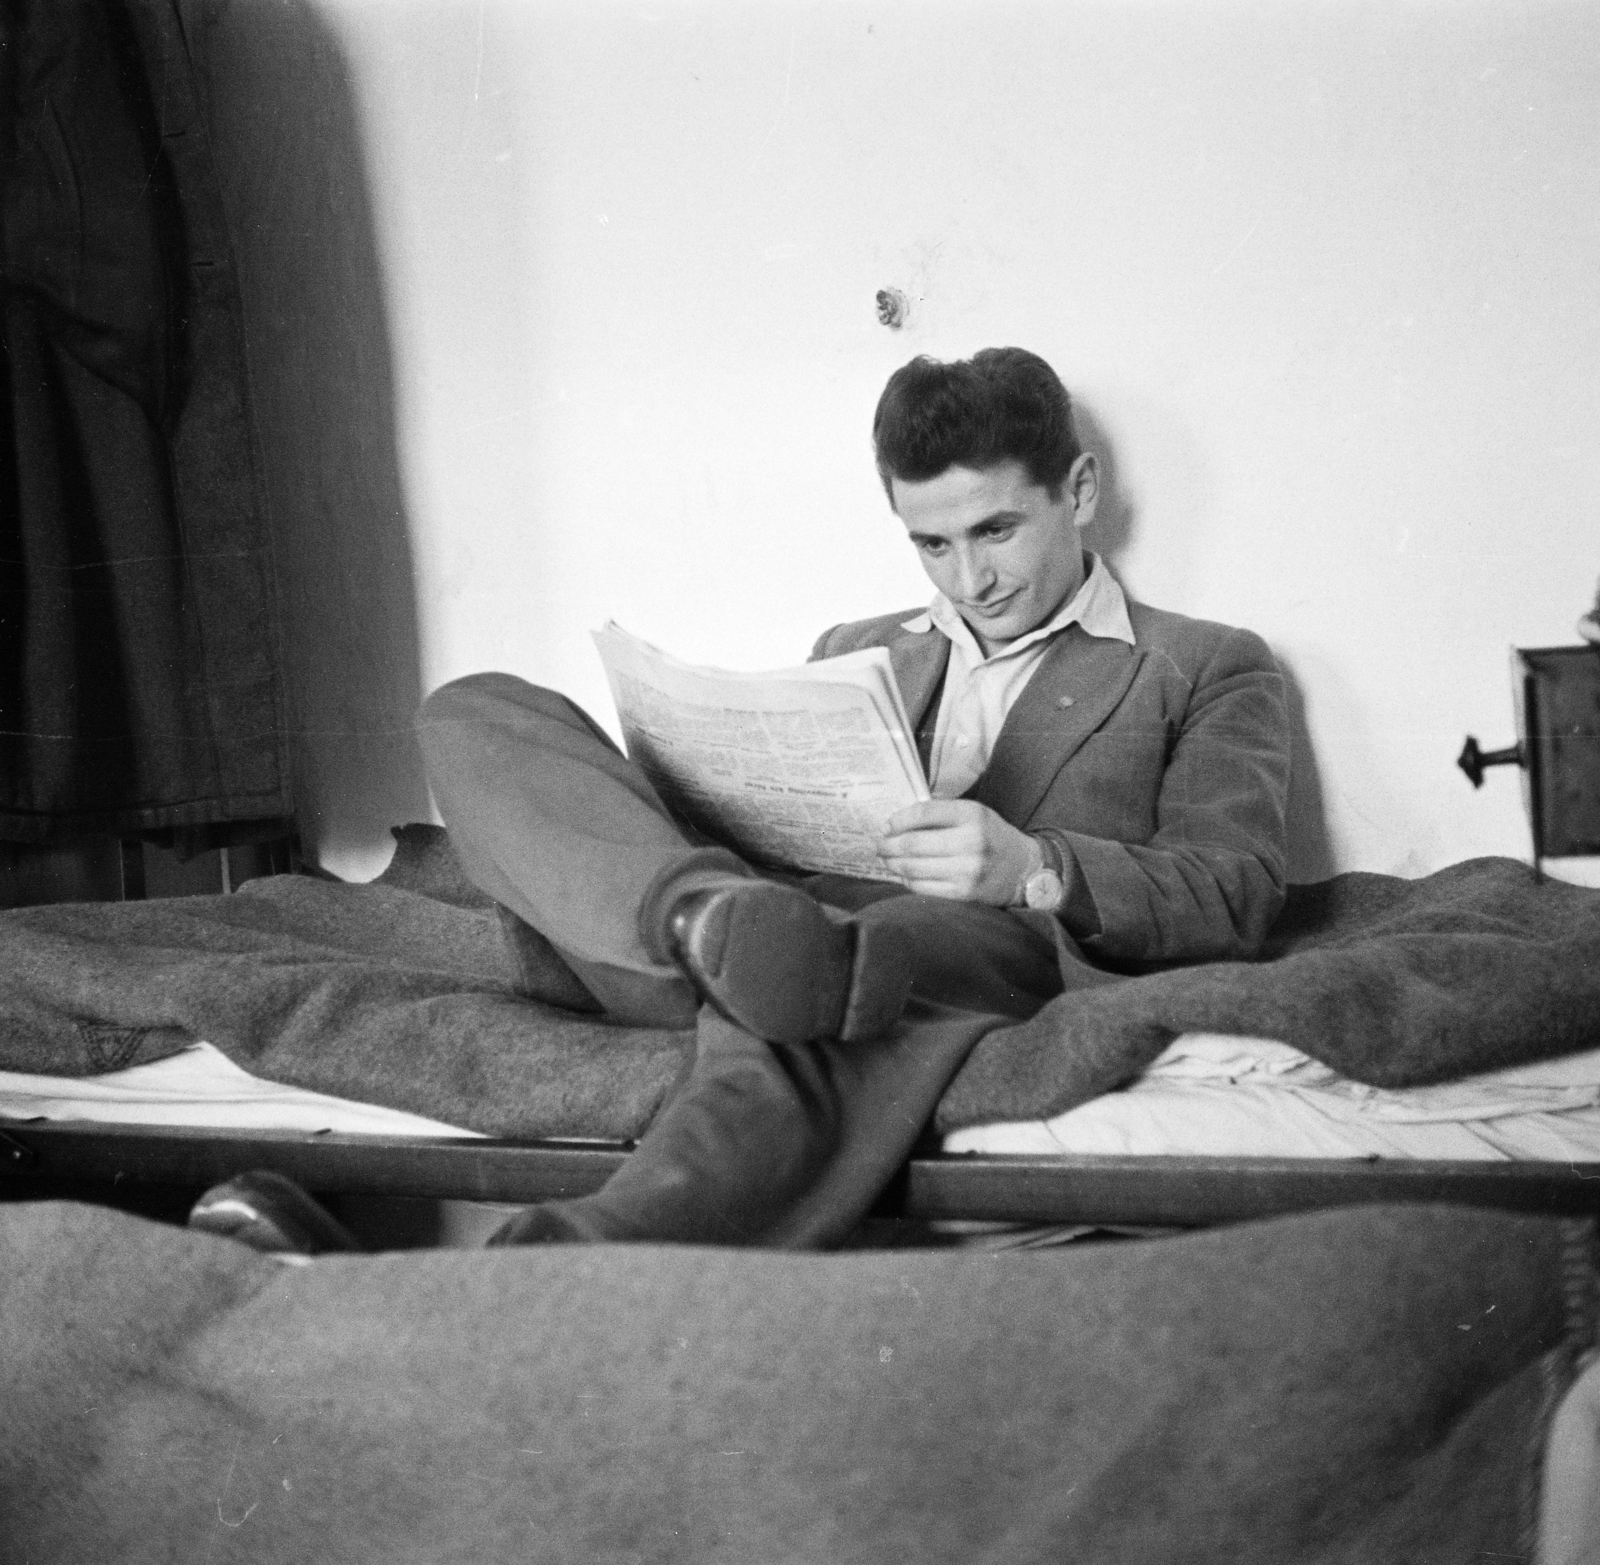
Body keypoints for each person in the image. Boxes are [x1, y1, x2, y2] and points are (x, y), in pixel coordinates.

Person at [195, 348, 1292, 1254]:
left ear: (1080, 490)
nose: (967, 580)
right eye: (930, 543)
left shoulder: (1203, 666)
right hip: (733, 920)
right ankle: (703, 918)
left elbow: (1233, 892)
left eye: (995, 530)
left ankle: (549, 1266)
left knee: (849, 967)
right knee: (476, 708)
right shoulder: (855, 649)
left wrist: (1033, 866)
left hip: (947, 946)